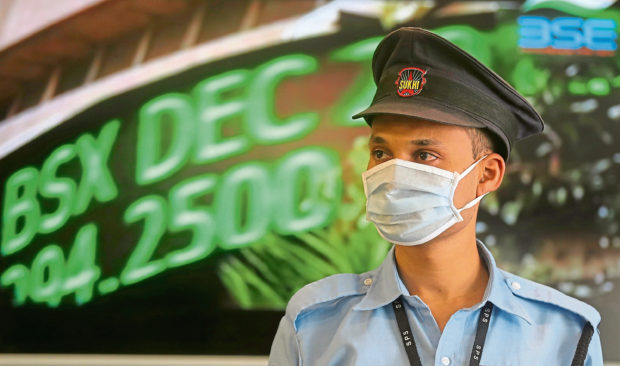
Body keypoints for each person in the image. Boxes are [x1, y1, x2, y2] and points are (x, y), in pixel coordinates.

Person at [268, 27, 603, 366]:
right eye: (381, 152)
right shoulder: (312, 323)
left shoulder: (565, 334)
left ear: (487, 174)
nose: (394, 174)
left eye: (424, 155)